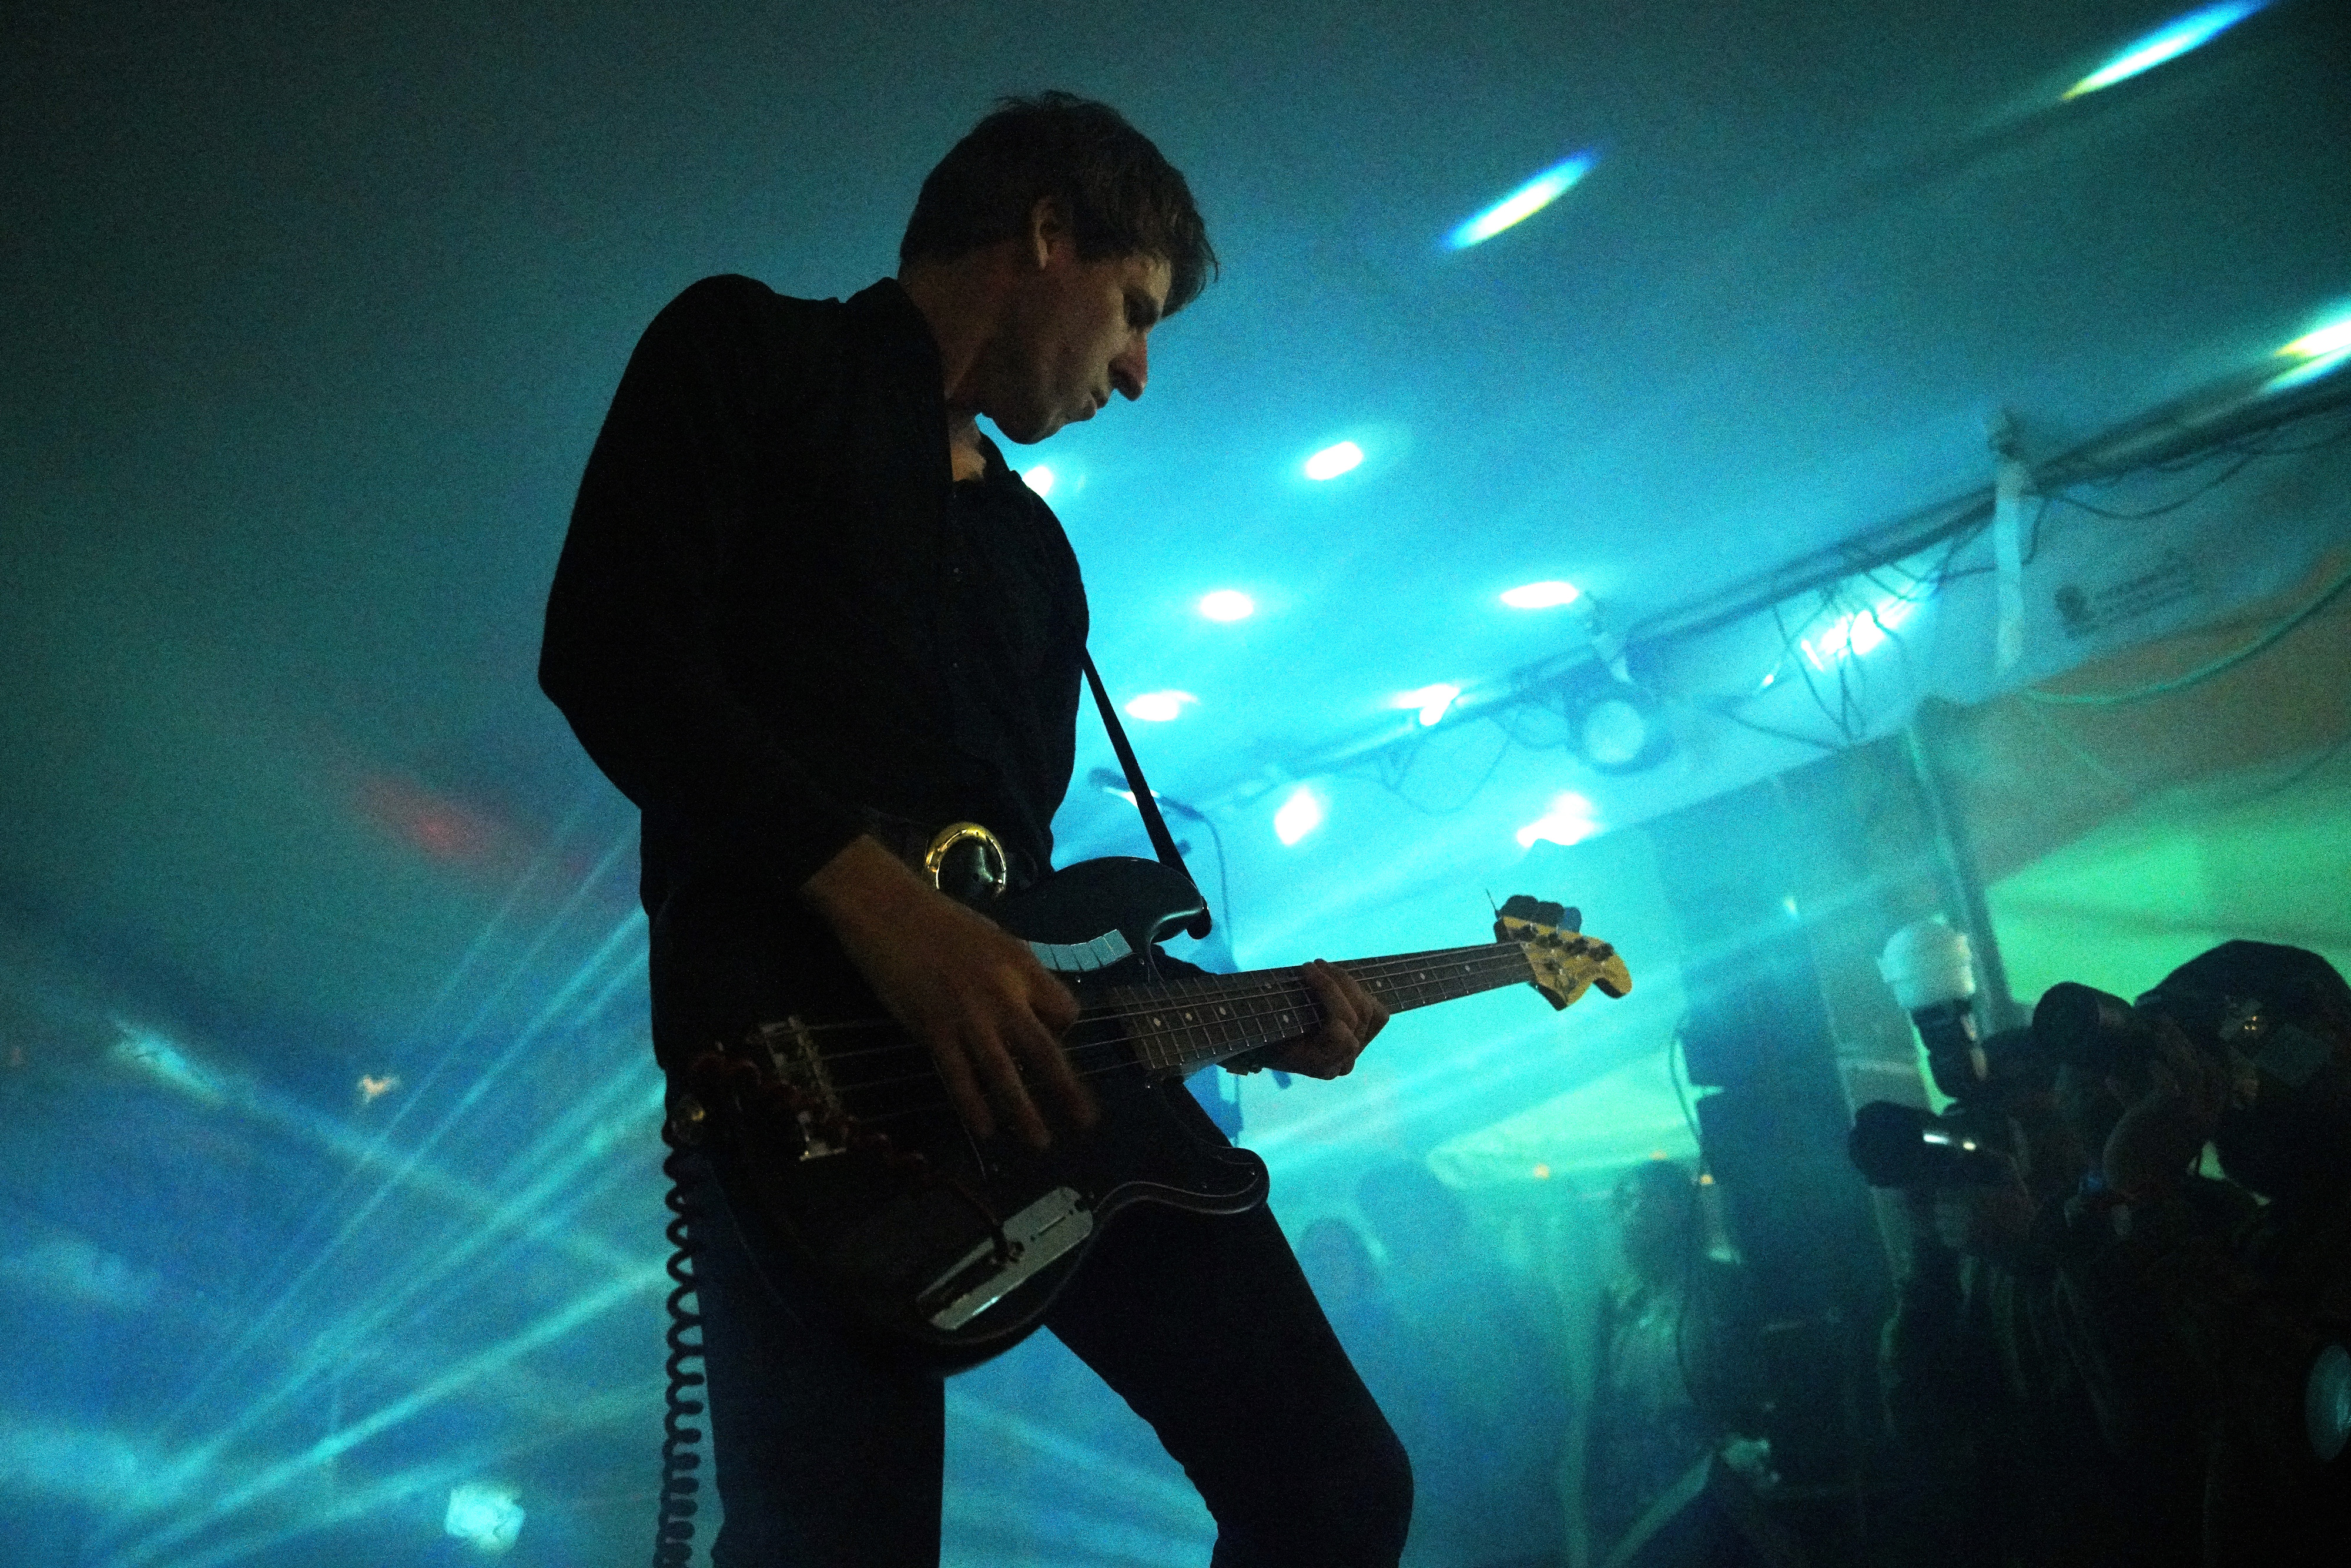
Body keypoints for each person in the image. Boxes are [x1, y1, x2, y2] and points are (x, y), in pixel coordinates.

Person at [539, 92, 1408, 1566]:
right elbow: (611, 649)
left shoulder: (1035, 551)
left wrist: (1232, 1018)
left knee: (1335, 1490)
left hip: (1042, 1084)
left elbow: (1023, 900)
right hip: (809, 1091)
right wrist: (889, 914)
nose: (1136, 374)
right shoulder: (750, 350)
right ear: (1048, 232)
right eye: (1134, 311)